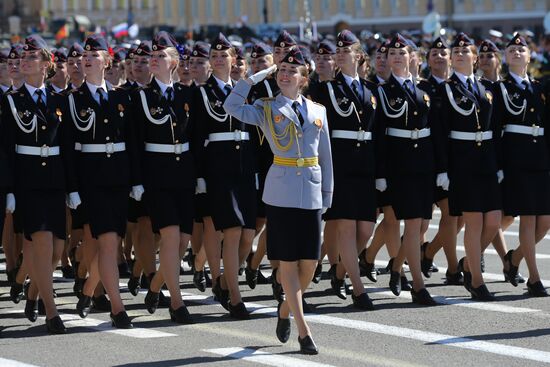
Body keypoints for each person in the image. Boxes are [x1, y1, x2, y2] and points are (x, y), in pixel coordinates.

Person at [224, 46, 332, 355]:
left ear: (303, 78)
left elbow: (325, 156)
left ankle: (285, 309)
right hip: (281, 192)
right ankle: (304, 331)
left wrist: (328, 194)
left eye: (291, 72)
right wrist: (254, 78)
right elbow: (231, 105)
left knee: (309, 265)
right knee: (287, 264)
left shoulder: (318, 111)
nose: (285, 75)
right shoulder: (266, 107)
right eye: (281, 70)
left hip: (311, 191)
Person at [1, 34, 69, 333]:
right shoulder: (11, 102)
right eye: (22, 59)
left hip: (54, 180)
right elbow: (4, 149)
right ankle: (51, 312)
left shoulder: (58, 100)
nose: (23, 62)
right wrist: (9, 189)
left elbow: (66, 147)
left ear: (46, 65)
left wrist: (73, 186)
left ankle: (30, 290)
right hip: (27, 182)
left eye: (31, 58)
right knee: (41, 244)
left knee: (55, 250)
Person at [67, 34, 135, 327]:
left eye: (94, 56)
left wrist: (136, 179)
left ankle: (87, 290)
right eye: (85, 56)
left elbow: (132, 142)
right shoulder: (73, 99)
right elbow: (69, 148)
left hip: (118, 176)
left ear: (107, 62)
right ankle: (118, 309)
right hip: (91, 179)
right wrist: (72, 188)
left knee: (111, 243)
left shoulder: (121, 97)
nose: (87, 60)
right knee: (107, 242)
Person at [191, 33, 257, 319]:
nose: (218, 59)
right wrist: (200, 176)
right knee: (231, 233)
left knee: (247, 235)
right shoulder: (201, 93)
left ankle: (222, 281)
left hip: (244, 167)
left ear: (233, 60)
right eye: (214, 56)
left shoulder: (244, 90)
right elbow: (196, 138)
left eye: (224, 55)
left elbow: (254, 133)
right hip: (218, 169)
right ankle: (235, 296)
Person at [131, 31, 195, 322]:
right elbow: (135, 143)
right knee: (169, 237)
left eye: (160, 56)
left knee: (183, 241)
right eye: (152, 56)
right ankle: (177, 303)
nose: (153, 60)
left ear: (174, 62)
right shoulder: (142, 97)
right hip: (157, 176)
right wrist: (137, 180)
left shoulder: (185, 94)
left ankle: (156, 285)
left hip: (183, 175)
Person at [436, 33, 502, 301]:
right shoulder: (446, 89)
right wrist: (443, 169)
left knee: (494, 220)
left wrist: (498, 163)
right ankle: (477, 280)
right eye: (457, 51)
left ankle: (467, 264)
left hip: (486, 159)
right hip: (462, 161)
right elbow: (441, 133)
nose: (460, 54)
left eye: (466, 51)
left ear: (475, 58)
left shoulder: (486, 88)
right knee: (474, 223)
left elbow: (495, 129)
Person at [313, 30, 376, 310]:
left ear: (359, 56)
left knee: (366, 230)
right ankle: (358, 290)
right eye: (337, 51)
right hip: (339, 163)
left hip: (364, 163)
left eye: (345, 51)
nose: (339, 55)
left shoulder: (369, 90)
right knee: (348, 229)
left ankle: (339, 273)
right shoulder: (325, 89)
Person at [374, 34, 438, 305]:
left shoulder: (423, 91)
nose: (398, 58)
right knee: (412, 223)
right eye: (392, 54)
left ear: (413, 57)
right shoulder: (382, 92)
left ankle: (397, 266)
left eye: (403, 53)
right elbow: (377, 136)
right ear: (387, 60)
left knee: (421, 225)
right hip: (398, 165)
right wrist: (379, 173)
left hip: (422, 163)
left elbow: (433, 132)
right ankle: (418, 287)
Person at [495, 34, 550, 297]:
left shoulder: (539, 87)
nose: (517, 52)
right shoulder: (500, 88)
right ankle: (534, 279)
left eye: (521, 49)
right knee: (528, 219)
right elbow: (495, 129)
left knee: (545, 222)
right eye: (512, 49)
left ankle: (513, 259)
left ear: (530, 56)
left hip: (540, 157)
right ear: (505, 58)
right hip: (517, 158)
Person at [418, 37, 464, 285]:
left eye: (442, 52)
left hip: (458, 158)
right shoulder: (424, 88)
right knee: (449, 214)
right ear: (427, 60)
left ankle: (429, 252)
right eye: (433, 53)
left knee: (460, 217)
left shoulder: (457, 86)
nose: (438, 56)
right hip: (433, 161)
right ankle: (454, 269)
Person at [244, 41, 280, 290]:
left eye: (263, 61)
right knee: (259, 221)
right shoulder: (251, 89)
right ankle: (250, 261)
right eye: (254, 61)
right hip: (258, 159)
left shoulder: (283, 85)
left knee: (277, 221)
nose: (258, 65)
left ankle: (274, 272)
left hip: (280, 159)